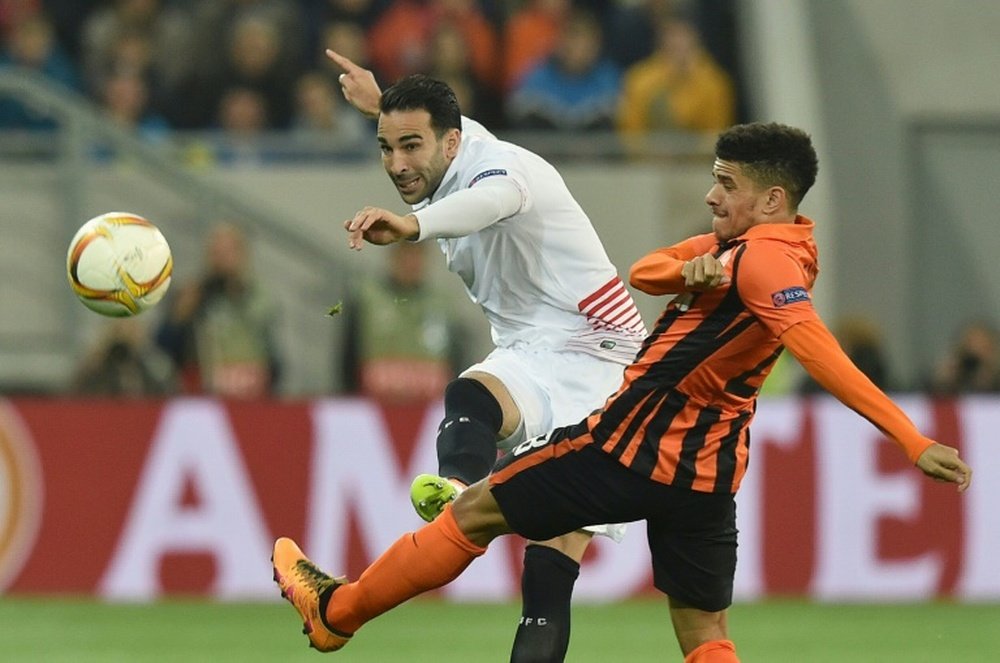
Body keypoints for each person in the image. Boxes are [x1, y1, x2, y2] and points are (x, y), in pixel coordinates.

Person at [271, 121, 973, 661]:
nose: (711, 193)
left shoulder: (758, 260)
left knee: (477, 508)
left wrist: (910, 439)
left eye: (726, 183)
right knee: (704, 629)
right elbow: (646, 268)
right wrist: (692, 270)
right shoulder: (777, 246)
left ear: (772, 198)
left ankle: (339, 613)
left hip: (629, 445)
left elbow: (820, 353)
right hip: (707, 472)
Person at [324, 50, 647, 662]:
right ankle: (454, 488)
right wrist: (380, 104)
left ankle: (454, 496)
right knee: (471, 395)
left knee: (548, 575)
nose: (397, 165)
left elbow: (488, 203)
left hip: (600, 354)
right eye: (386, 148)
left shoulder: (502, 169)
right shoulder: (442, 151)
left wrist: (411, 227)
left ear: (452, 141)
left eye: (410, 147)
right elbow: (422, 133)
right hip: (533, 348)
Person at [154, 221, 282, 398]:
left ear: (243, 255)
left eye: (228, 252)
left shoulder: (260, 299)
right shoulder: (191, 296)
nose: (222, 259)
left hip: (250, 394)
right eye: (216, 252)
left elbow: (274, 356)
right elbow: (162, 346)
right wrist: (179, 316)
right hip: (201, 395)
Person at [339, 241, 466, 402]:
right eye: (405, 255)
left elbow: (457, 355)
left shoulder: (442, 303)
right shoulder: (367, 299)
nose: (410, 263)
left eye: (416, 256)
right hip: (375, 402)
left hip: (430, 405)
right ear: (393, 258)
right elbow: (349, 354)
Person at [927, 319, 1000, 394]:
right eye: (969, 350)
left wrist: (988, 381)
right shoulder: (952, 379)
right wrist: (940, 383)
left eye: (984, 348)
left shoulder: (996, 378)